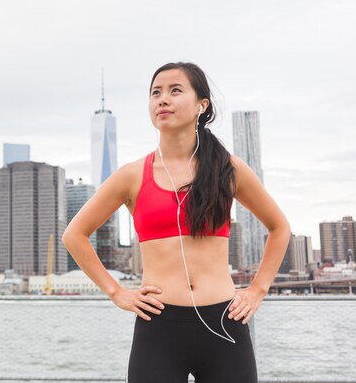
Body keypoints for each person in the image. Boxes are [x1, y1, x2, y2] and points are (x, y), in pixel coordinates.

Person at [62, 62, 291, 383]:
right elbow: (74, 235)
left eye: (175, 90)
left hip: (224, 322)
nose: (162, 99)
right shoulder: (131, 176)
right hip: (158, 325)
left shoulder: (227, 169)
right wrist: (116, 292)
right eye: (155, 93)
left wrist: (258, 290)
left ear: (202, 105)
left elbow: (280, 227)